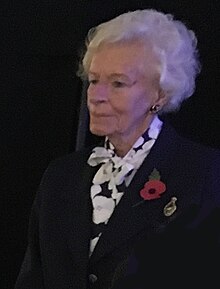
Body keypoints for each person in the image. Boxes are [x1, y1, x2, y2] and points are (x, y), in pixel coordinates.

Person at [15, 9, 220, 289]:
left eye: (118, 83)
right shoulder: (60, 176)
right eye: (94, 80)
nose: (96, 96)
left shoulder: (203, 174)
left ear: (160, 94)